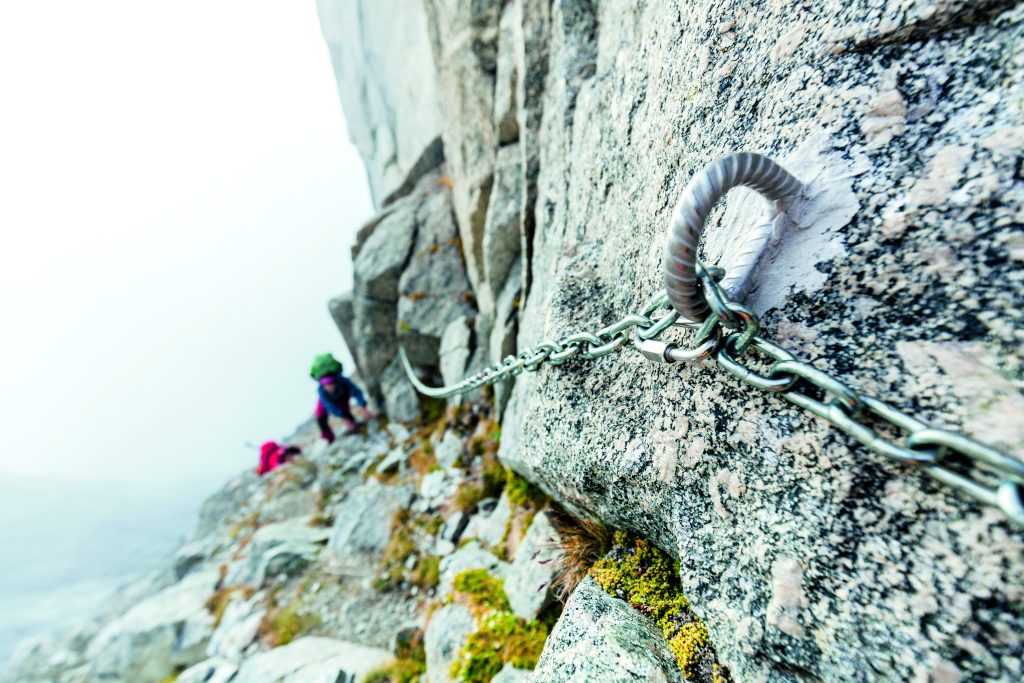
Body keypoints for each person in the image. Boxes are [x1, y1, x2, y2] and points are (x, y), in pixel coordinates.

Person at [310, 353, 371, 443]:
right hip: (327, 402)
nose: (328, 387)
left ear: (334, 381)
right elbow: (330, 407)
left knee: (345, 411)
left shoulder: (343, 381)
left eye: (330, 384)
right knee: (320, 416)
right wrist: (344, 418)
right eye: (325, 385)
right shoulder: (321, 391)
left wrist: (363, 406)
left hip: (342, 396)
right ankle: (329, 439)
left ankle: (355, 427)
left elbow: (356, 392)